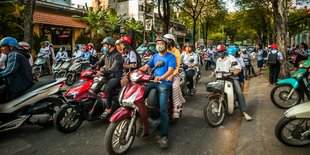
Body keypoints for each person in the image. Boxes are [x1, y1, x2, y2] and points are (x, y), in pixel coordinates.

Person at [140, 36, 176, 149]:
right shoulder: (155, 56)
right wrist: (137, 71)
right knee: (139, 96)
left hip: (164, 83)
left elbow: (171, 70)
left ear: (166, 45)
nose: (159, 45)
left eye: (161, 43)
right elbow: (146, 66)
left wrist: (162, 77)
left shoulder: (171, 56)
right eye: (157, 43)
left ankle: (164, 136)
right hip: (153, 81)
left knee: (163, 109)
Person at [212, 44, 252, 121]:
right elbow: (217, 69)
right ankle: (216, 105)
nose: (220, 53)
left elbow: (238, 66)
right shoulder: (218, 59)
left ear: (224, 51)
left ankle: (244, 112)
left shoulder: (231, 58)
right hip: (221, 77)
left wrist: (236, 70)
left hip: (231, 77)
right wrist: (214, 72)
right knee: (214, 88)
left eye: (221, 51)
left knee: (239, 92)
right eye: (218, 52)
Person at [90, 37, 123, 118]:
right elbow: (99, 62)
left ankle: (108, 109)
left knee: (107, 87)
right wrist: (92, 67)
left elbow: (114, 69)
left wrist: (102, 72)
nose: (104, 47)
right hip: (107, 76)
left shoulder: (117, 55)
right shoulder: (107, 55)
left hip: (115, 77)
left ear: (110, 45)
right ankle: (95, 104)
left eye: (105, 45)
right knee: (96, 88)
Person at [0, 37, 33, 103]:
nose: (1, 48)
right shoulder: (15, 54)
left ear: (11, 47)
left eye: (3, 46)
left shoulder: (14, 54)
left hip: (18, 85)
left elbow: (10, 71)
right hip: (21, 82)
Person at [164, 34, 185, 119]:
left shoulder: (176, 51)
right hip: (161, 74)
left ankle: (176, 108)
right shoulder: (162, 51)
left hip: (174, 74)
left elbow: (177, 66)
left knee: (175, 86)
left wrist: (171, 75)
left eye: (168, 40)